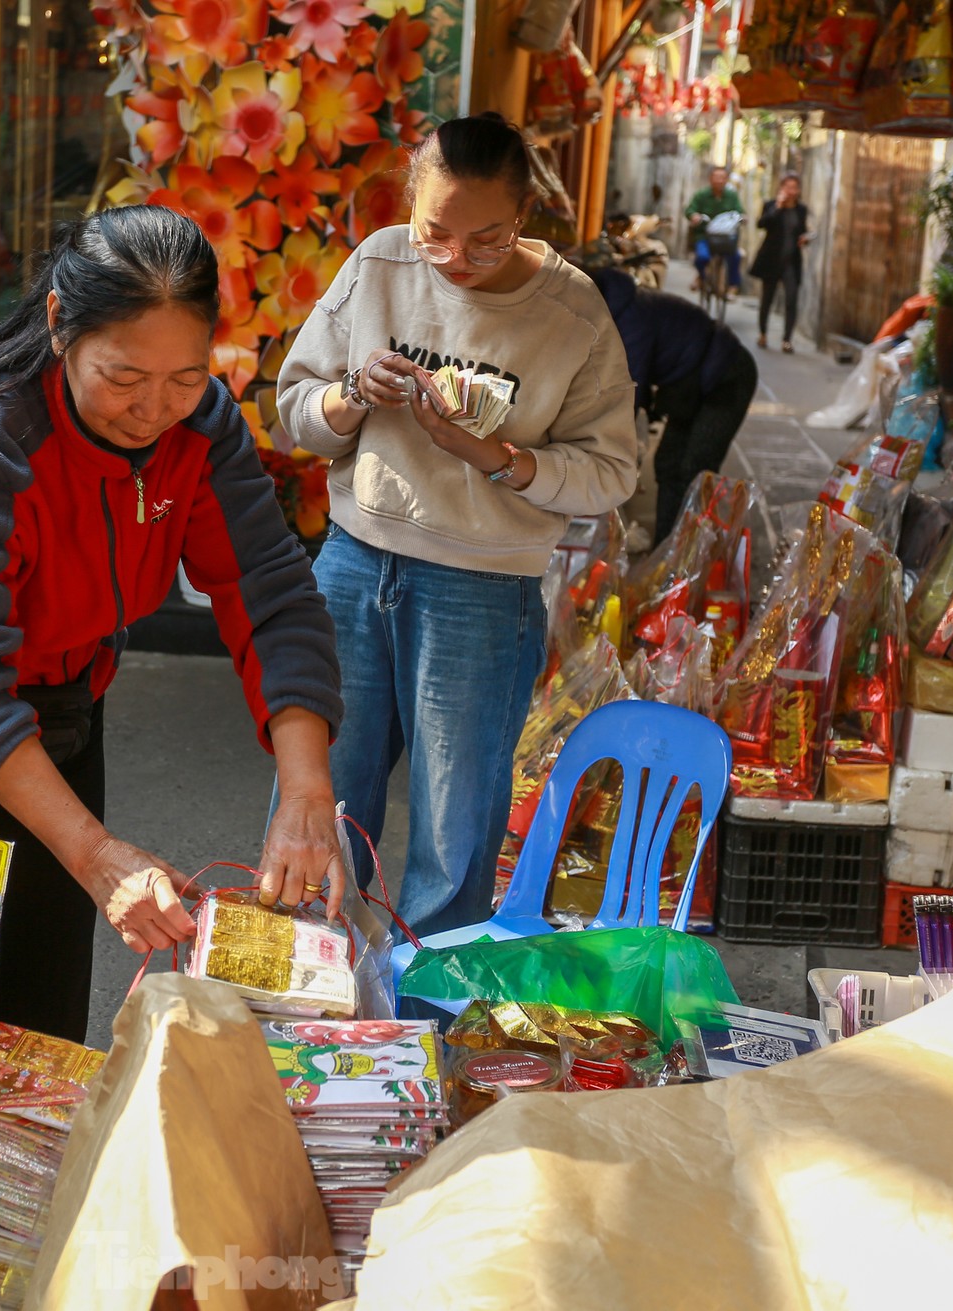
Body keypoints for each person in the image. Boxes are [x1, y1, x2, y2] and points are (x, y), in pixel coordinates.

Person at [0, 205, 344, 1131]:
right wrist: (97, 854)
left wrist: (306, 788)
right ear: (60, 322)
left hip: (59, 691)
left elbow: (269, 589)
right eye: (124, 377)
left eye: (185, 377)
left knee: (43, 1001)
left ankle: (25, 1248)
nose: (153, 409)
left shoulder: (200, 427)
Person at [275, 112, 637, 935]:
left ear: (526, 217)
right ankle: (309, 1006)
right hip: (353, 560)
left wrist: (494, 456)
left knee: (454, 835)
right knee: (320, 805)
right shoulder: (380, 264)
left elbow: (612, 472)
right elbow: (295, 413)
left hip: (481, 587)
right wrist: (355, 393)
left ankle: (425, 1029)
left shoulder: (570, 313)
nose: (456, 260)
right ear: (410, 206)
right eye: (435, 233)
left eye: (488, 239)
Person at [590, 265, 759, 543]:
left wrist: (602, 446)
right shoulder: (618, 308)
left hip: (728, 377)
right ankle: (666, 550)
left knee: (695, 469)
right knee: (669, 462)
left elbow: (627, 390)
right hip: (688, 387)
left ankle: (688, 558)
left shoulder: (630, 318)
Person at [752, 171, 814, 353]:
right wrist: (778, 206)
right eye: (788, 187)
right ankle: (763, 334)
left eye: (794, 187)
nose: (791, 191)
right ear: (781, 188)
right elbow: (762, 224)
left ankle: (787, 339)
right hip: (771, 260)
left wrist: (805, 239)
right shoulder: (771, 205)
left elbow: (801, 231)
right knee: (767, 299)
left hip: (791, 262)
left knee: (791, 299)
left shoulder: (801, 210)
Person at [686, 165, 744, 293]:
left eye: (722, 178)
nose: (719, 181)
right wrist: (694, 216)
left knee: (736, 257)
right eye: (716, 177)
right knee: (702, 257)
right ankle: (701, 276)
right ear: (710, 179)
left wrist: (742, 217)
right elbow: (690, 210)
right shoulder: (702, 195)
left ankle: (732, 286)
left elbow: (739, 211)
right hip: (704, 236)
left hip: (725, 237)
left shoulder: (731, 196)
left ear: (726, 179)